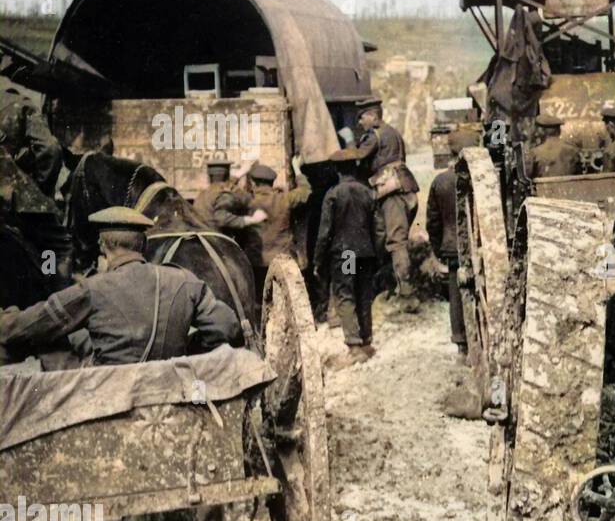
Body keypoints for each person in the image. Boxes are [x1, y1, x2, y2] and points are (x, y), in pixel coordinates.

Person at [0, 206, 240, 365]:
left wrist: (7, 317)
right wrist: (185, 348)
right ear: (143, 245)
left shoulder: (91, 289)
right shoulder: (184, 280)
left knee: (52, 345)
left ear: (103, 247)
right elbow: (227, 326)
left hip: (107, 394)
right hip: (167, 385)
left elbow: (25, 327)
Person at [315, 148, 381, 363]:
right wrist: (376, 252)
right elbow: (379, 228)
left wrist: (318, 260)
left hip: (347, 255)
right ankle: (367, 340)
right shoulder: (367, 192)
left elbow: (324, 232)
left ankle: (354, 345)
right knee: (364, 295)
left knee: (345, 294)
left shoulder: (334, 194)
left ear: (337, 169)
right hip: (366, 253)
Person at [355, 97, 420, 312]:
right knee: (390, 241)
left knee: (396, 243)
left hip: (392, 194)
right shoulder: (393, 132)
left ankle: (407, 297)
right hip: (407, 188)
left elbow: (358, 157)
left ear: (373, 116)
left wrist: (346, 145)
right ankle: (393, 287)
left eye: (362, 117)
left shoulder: (373, 135)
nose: (360, 122)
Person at [426, 130, 475, 356]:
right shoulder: (481, 177)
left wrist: (438, 249)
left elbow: (433, 222)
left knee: (456, 293)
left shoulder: (441, 181)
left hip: (452, 247)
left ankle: (461, 343)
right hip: (479, 246)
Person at [245, 162, 310, 295]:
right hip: (283, 260)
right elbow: (305, 191)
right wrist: (296, 167)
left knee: (260, 301)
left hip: (257, 263)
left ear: (253, 183)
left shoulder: (247, 203)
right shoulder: (284, 199)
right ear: (272, 183)